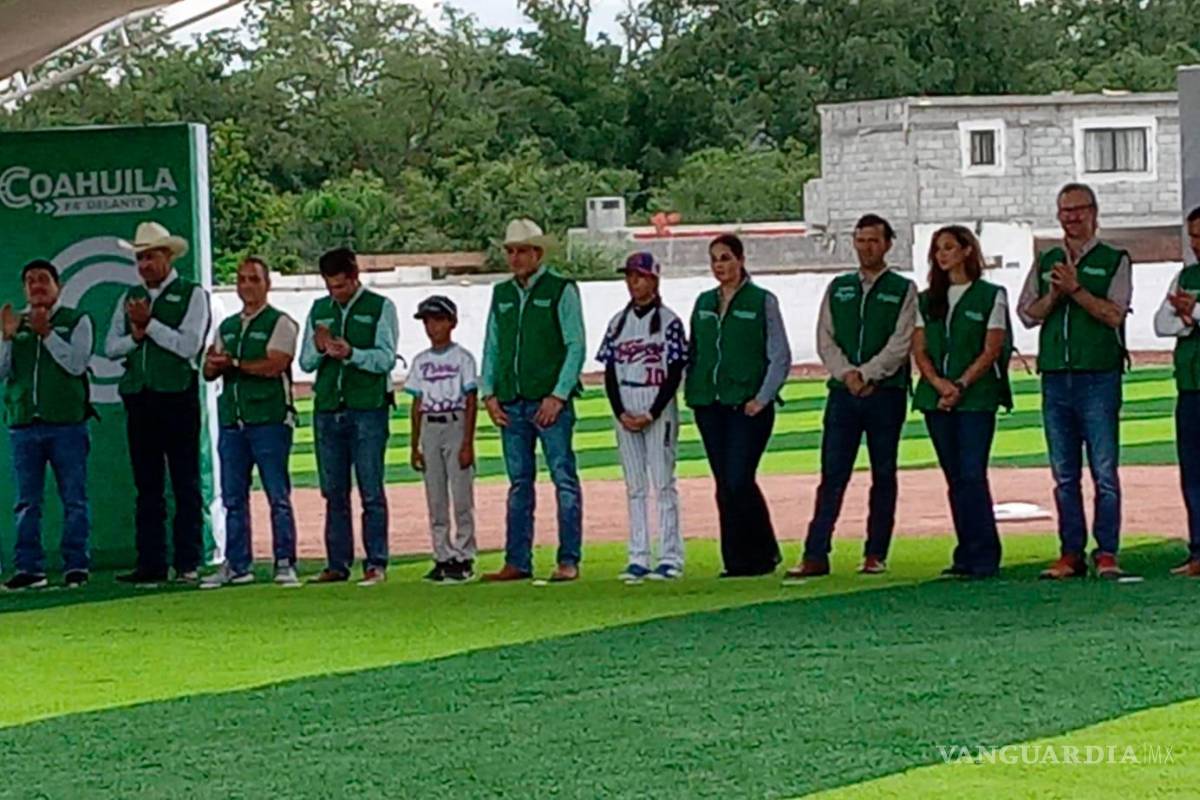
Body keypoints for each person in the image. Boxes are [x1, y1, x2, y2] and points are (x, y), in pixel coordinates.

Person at [787, 214, 917, 578]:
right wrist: (847, 374)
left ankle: (875, 552)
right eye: (861, 240)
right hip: (843, 394)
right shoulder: (839, 287)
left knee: (883, 474)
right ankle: (815, 553)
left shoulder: (903, 289)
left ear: (888, 244)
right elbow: (825, 338)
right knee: (832, 475)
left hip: (886, 393)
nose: (866, 247)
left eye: (873, 240)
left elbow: (902, 340)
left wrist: (869, 373)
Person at [1018, 183, 1131, 580]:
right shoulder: (1046, 259)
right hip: (1055, 377)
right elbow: (1027, 314)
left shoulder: (1114, 259)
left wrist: (1076, 289)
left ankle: (1107, 551)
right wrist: (1054, 295)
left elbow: (1114, 314)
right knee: (1064, 474)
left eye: (1078, 209)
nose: (1071, 217)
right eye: (1065, 210)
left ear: (1093, 212)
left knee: (1104, 471)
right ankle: (1070, 552)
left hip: (1098, 375)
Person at [479, 219, 585, 583]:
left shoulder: (561, 290)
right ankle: (517, 560)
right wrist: (489, 393)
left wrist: (559, 394)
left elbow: (575, 344)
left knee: (563, 479)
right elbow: (492, 345)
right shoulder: (502, 294)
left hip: (547, 400)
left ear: (537, 253)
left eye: (521, 251)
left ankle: (568, 559)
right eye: (510, 251)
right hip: (512, 400)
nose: (515, 258)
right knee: (519, 483)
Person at [106, 222, 210, 587]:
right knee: (147, 485)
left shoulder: (192, 294)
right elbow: (111, 347)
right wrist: (136, 336)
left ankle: (188, 561)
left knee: (184, 482)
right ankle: (150, 563)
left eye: (150, 257)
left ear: (168, 256)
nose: (144, 265)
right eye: (140, 258)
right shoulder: (130, 297)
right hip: (140, 397)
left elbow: (189, 346)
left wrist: (148, 326)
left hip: (177, 396)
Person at [685, 233, 791, 577]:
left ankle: (761, 553)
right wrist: (694, 389)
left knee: (739, 479)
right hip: (710, 404)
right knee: (724, 483)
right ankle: (736, 559)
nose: (720, 265)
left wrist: (763, 397)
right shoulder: (704, 303)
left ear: (741, 260)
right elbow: (694, 351)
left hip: (747, 405)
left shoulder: (762, 301)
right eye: (715, 259)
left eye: (726, 258)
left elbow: (779, 354)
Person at [911, 226, 1011, 580]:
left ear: (967, 251)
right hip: (936, 398)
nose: (942, 255)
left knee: (972, 474)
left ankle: (984, 553)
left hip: (976, 399)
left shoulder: (991, 295)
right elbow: (920, 349)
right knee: (955, 477)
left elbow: (992, 348)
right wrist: (939, 384)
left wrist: (960, 384)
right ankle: (965, 551)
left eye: (949, 247)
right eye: (938, 249)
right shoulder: (926, 300)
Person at [299, 248, 399, 587]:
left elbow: (386, 358)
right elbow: (305, 362)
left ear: (355, 277)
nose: (335, 293)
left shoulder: (380, 307)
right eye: (330, 286)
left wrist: (352, 353)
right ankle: (337, 563)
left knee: (371, 489)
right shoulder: (319, 310)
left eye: (340, 286)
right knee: (333, 492)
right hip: (328, 406)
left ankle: (376, 563)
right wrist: (320, 348)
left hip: (368, 406)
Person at [200, 257, 301, 589]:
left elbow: (275, 364)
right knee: (233, 498)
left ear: (267, 284)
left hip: (269, 419)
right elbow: (208, 369)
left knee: (277, 496)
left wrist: (233, 363)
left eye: (253, 279)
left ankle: (285, 562)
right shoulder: (228, 326)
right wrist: (215, 364)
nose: (246, 286)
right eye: (242, 279)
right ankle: (237, 564)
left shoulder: (280, 322)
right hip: (233, 420)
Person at [0, 259, 93, 590]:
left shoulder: (76, 320)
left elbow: (77, 364)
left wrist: (48, 334)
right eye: (30, 281)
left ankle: (76, 565)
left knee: (74, 499)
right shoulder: (14, 324)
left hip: (67, 424)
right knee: (27, 502)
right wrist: (7, 338)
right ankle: (29, 568)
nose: (36, 285)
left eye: (43, 279)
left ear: (59, 285)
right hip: (24, 424)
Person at [597, 252, 688, 582]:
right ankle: (638, 555)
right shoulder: (617, 323)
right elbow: (609, 372)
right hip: (626, 402)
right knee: (634, 485)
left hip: (657, 404)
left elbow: (675, 371)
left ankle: (670, 556)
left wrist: (652, 411)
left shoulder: (669, 322)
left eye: (639, 276)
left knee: (663, 483)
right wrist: (620, 411)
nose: (633, 283)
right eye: (630, 277)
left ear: (653, 279)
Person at [407, 295, 478, 584]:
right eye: (427, 321)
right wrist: (415, 445)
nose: (432, 327)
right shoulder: (420, 361)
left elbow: (471, 400)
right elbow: (416, 404)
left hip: (454, 422)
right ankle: (442, 555)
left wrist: (468, 442)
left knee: (461, 496)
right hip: (431, 425)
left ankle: (464, 555)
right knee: (435, 497)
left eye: (437, 320)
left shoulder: (463, 358)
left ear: (452, 322)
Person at [1154, 206, 1200, 578]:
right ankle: (1198, 550)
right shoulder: (1184, 277)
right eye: (1193, 236)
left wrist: (1193, 312)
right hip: (1190, 388)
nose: (1196, 244)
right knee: (1193, 473)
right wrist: (1188, 321)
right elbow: (1161, 323)